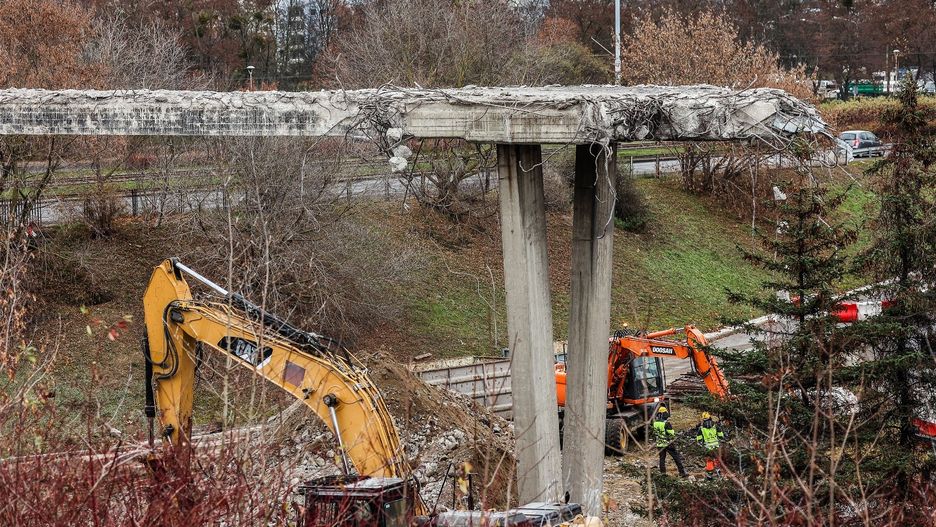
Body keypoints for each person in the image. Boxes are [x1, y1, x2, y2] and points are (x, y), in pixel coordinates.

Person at [653, 406, 686, 477]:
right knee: (676, 457)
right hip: (668, 444)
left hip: (659, 444)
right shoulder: (666, 424)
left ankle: (663, 473)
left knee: (662, 459)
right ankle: (682, 472)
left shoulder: (655, 423)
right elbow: (672, 434)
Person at [695, 411, 727, 479]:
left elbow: (699, 439)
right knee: (718, 459)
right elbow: (721, 436)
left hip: (708, 447)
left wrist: (701, 443)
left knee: (709, 461)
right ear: (710, 417)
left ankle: (710, 474)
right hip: (716, 446)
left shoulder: (701, 429)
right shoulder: (715, 426)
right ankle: (719, 472)